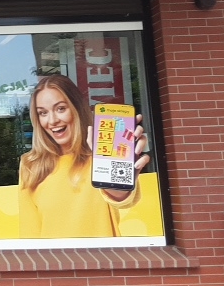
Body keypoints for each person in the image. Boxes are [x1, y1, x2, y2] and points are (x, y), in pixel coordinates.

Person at [18, 74, 150, 238]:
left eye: (61, 109)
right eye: (43, 113)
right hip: (53, 256)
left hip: (102, 255)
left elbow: (120, 197)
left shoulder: (100, 154)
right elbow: (29, 234)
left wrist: (120, 176)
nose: (52, 121)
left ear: (77, 108)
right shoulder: (30, 164)